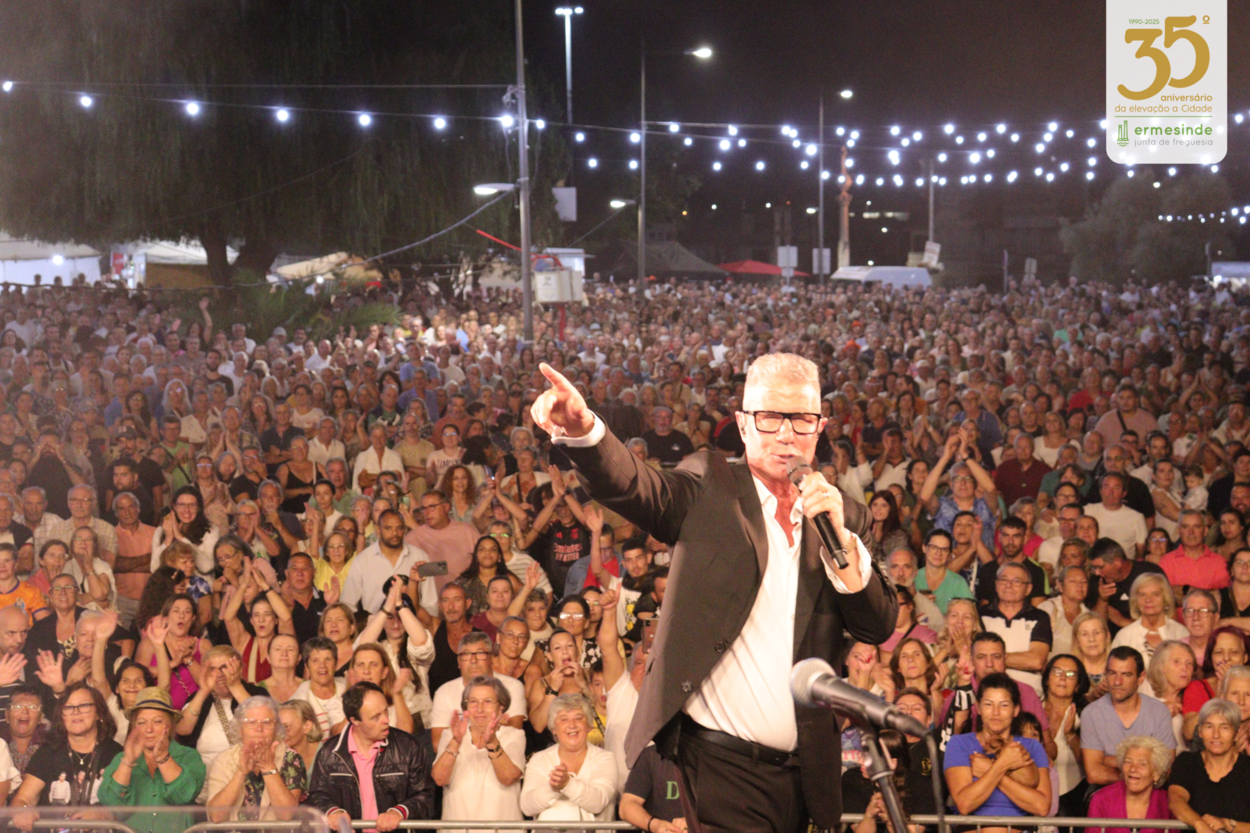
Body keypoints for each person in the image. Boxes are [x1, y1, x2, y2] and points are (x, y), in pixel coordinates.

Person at [534, 352, 896, 833]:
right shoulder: (711, 484)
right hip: (720, 767)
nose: (786, 433)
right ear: (744, 425)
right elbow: (636, 486)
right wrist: (584, 434)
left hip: (806, 769)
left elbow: (878, 624)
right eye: (770, 418)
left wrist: (843, 548)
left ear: (821, 426)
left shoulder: (843, 515)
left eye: (802, 419)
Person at [306, 681, 437, 830]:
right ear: (354, 720)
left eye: (385, 711)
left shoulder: (409, 747)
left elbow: (426, 796)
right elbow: (317, 795)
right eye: (376, 717)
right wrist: (333, 811)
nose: (386, 720)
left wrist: (399, 812)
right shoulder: (329, 752)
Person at [9, 681, 123, 830]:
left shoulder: (115, 753)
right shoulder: (48, 752)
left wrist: (105, 815)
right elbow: (23, 799)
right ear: (61, 716)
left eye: (83, 706)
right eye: (68, 707)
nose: (75, 712)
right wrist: (23, 810)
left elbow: (127, 805)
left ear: (99, 713)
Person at [944, 672, 1053, 826]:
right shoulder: (960, 743)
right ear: (979, 708)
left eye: (1004, 705)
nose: (996, 712)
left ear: (1015, 710)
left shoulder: (1032, 746)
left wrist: (992, 768)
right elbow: (964, 804)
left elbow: (1042, 806)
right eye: (988, 704)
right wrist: (1003, 765)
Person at [98, 687, 206, 833]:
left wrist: (163, 758)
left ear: (170, 726)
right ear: (134, 726)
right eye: (142, 722)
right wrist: (128, 761)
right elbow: (111, 804)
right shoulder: (120, 759)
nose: (148, 729)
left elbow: (184, 795)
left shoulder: (189, 756)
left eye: (157, 721)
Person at [430, 675, 525, 830]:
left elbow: (508, 777)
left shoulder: (514, 735)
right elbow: (439, 779)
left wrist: (492, 742)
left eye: (488, 701)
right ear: (465, 707)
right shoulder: (450, 736)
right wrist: (455, 743)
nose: (479, 709)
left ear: (501, 707)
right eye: (473, 702)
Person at [1081, 646, 1178, 788]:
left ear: (1141, 678)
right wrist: (1142, 768)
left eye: (1126, 674)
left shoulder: (1158, 712)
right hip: (1106, 795)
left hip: (1150, 795)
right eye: (1112, 673)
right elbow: (1094, 774)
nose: (1117, 682)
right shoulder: (1091, 713)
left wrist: (1110, 761)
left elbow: (1166, 769)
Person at [519, 692, 619, 825]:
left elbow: (598, 803)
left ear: (589, 726)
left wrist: (567, 784)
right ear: (553, 728)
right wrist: (553, 789)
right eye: (564, 719)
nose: (572, 725)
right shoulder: (539, 760)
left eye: (579, 718)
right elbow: (527, 807)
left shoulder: (604, 759)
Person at [205, 694, 306, 822]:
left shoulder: (291, 758)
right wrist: (240, 773)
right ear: (240, 728)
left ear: (276, 728)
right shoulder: (225, 759)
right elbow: (216, 817)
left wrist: (268, 767)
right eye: (251, 722)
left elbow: (287, 815)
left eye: (267, 722)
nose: (259, 729)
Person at [429, 631, 526, 748]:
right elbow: (437, 744)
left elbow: (514, 734)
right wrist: (494, 728)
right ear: (459, 662)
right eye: (466, 655)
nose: (473, 660)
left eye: (480, 653)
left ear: (491, 658)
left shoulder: (512, 686)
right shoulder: (444, 692)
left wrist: (461, 734)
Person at [1167, 698, 1250, 833]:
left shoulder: (1247, 768)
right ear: (1199, 731)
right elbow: (1176, 800)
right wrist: (1199, 824)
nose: (1216, 735)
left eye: (1224, 727)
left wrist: (1228, 824)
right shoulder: (1186, 762)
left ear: (1236, 734)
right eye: (1209, 727)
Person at [981, 561, 1052, 695]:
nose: (1008, 585)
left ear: (1028, 589)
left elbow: (1036, 661)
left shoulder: (1040, 617)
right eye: (1003, 580)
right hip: (987, 694)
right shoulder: (981, 614)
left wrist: (992, 659)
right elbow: (974, 656)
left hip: (1030, 695)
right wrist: (1018, 659)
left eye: (1017, 581)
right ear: (996, 585)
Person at [1087, 735, 1174, 833]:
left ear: (1156, 773)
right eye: (1128, 762)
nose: (1133, 769)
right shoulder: (1102, 799)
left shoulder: (1169, 803)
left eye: (1142, 764)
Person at [1111, 573, 1190, 662]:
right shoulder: (1124, 636)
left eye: (1155, 594)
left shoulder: (1181, 633)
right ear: (1135, 601)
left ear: (1165, 599)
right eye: (1142, 595)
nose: (1148, 600)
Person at [277, 699, 322, 775]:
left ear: (307, 726)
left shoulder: (328, 755)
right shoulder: (275, 756)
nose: (280, 733)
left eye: (286, 726)